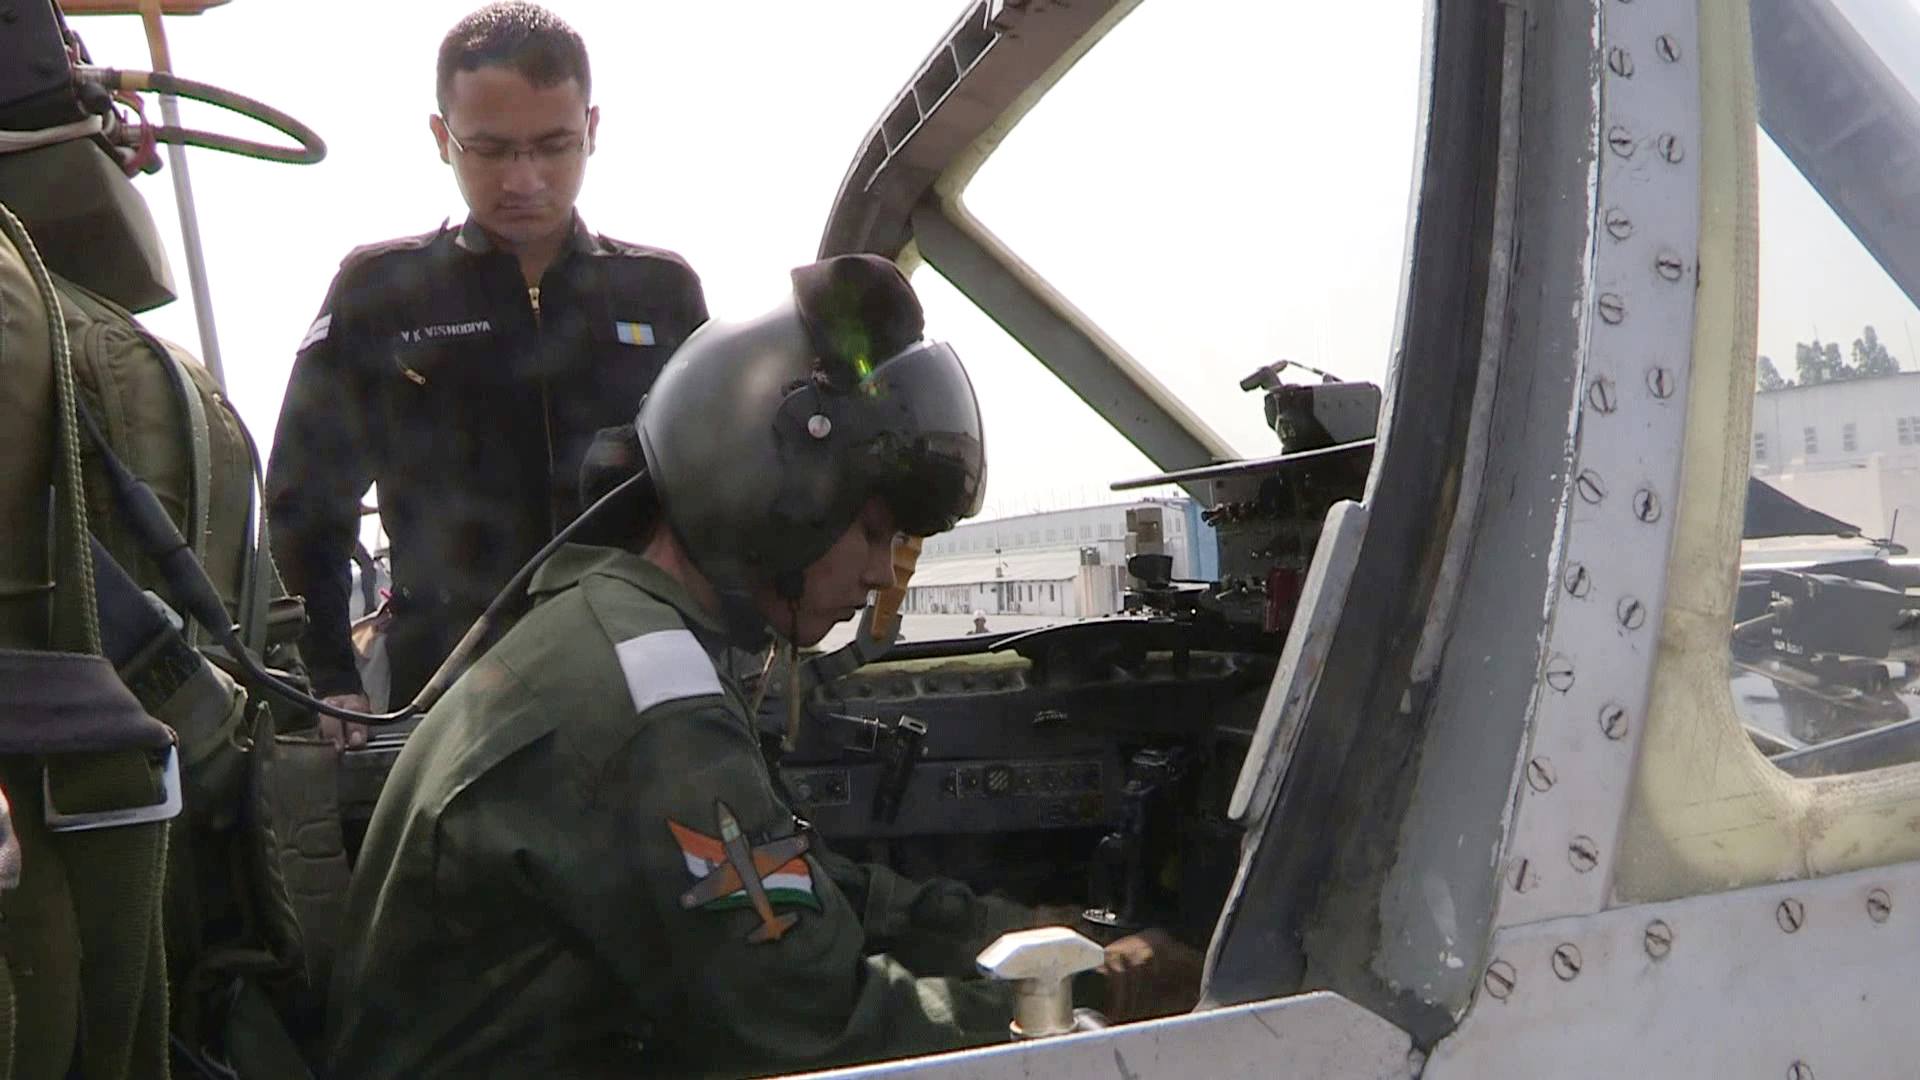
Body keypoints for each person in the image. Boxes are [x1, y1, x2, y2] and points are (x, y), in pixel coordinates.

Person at [327, 255, 1202, 1078]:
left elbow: (796, 889)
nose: (876, 572)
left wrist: (1016, 932)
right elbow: (816, 1023)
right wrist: (1089, 999)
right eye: (871, 533)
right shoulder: (652, 705)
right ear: (776, 493)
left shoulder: (619, 633)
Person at [266, 2, 708, 745]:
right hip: (446, 701)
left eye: (554, 146)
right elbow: (304, 501)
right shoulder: (379, 293)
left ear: (592, 130)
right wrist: (332, 676)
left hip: (641, 687)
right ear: (443, 138)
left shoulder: (661, 295)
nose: (525, 180)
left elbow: (714, 494)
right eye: (492, 150)